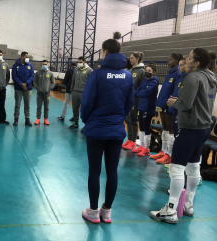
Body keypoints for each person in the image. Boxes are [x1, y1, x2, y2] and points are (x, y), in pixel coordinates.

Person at [150, 48, 217, 224]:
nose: (185, 60)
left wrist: (174, 102)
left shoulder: (193, 78)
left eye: (188, 57)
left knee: (177, 168)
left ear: (196, 63)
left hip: (190, 128)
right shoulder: (211, 76)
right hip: (204, 128)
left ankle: (171, 210)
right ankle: (187, 205)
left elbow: (186, 104)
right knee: (194, 168)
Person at [80, 32, 134, 224]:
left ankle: (93, 211)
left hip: (96, 128)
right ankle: (107, 211)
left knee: (94, 170)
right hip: (116, 129)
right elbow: (129, 102)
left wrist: (87, 120)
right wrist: (118, 118)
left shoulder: (97, 74)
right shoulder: (128, 75)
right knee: (112, 171)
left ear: (104, 52)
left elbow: (87, 102)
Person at [151, 53, 183, 164]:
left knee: (170, 129)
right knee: (164, 128)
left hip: (170, 104)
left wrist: (170, 102)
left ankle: (169, 154)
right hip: (163, 103)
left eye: (170, 60)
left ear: (177, 60)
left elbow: (174, 91)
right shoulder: (170, 71)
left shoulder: (178, 73)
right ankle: (163, 151)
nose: (168, 61)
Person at [132, 63, 159, 156]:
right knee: (142, 128)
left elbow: (146, 93)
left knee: (146, 127)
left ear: (154, 72)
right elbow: (138, 91)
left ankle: (147, 148)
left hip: (148, 107)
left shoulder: (154, 82)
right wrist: (141, 93)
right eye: (146, 71)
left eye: (149, 71)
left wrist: (141, 93)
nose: (147, 73)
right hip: (141, 106)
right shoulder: (144, 80)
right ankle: (142, 146)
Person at [122, 52, 144, 150]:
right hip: (128, 98)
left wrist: (135, 94)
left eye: (132, 58)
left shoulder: (142, 71)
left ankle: (133, 141)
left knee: (133, 120)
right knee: (128, 119)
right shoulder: (130, 70)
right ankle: (129, 139)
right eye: (130, 58)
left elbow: (143, 87)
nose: (130, 60)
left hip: (135, 99)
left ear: (137, 58)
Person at [69, 56, 93, 129]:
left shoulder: (90, 70)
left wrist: (89, 93)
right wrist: (72, 89)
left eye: (80, 62)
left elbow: (91, 83)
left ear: (84, 62)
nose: (79, 63)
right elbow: (73, 80)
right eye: (78, 62)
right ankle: (76, 122)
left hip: (84, 93)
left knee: (84, 109)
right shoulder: (76, 69)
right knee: (75, 108)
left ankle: (86, 125)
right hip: (75, 92)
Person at [12, 52, 35, 126]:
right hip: (18, 88)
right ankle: (16, 119)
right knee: (17, 104)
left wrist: (26, 83)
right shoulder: (15, 66)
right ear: (22, 56)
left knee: (27, 105)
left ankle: (27, 119)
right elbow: (14, 76)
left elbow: (32, 76)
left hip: (28, 89)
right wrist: (21, 84)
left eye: (28, 57)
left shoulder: (30, 65)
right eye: (26, 56)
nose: (27, 58)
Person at [33, 60, 55, 125]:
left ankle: (46, 119)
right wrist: (38, 88)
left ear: (47, 65)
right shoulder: (38, 73)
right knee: (39, 106)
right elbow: (34, 81)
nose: (44, 65)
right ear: (41, 65)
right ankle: (38, 119)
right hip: (39, 93)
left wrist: (49, 88)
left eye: (45, 64)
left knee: (46, 107)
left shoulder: (50, 73)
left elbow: (53, 83)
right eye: (43, 64)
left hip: (47, 93)